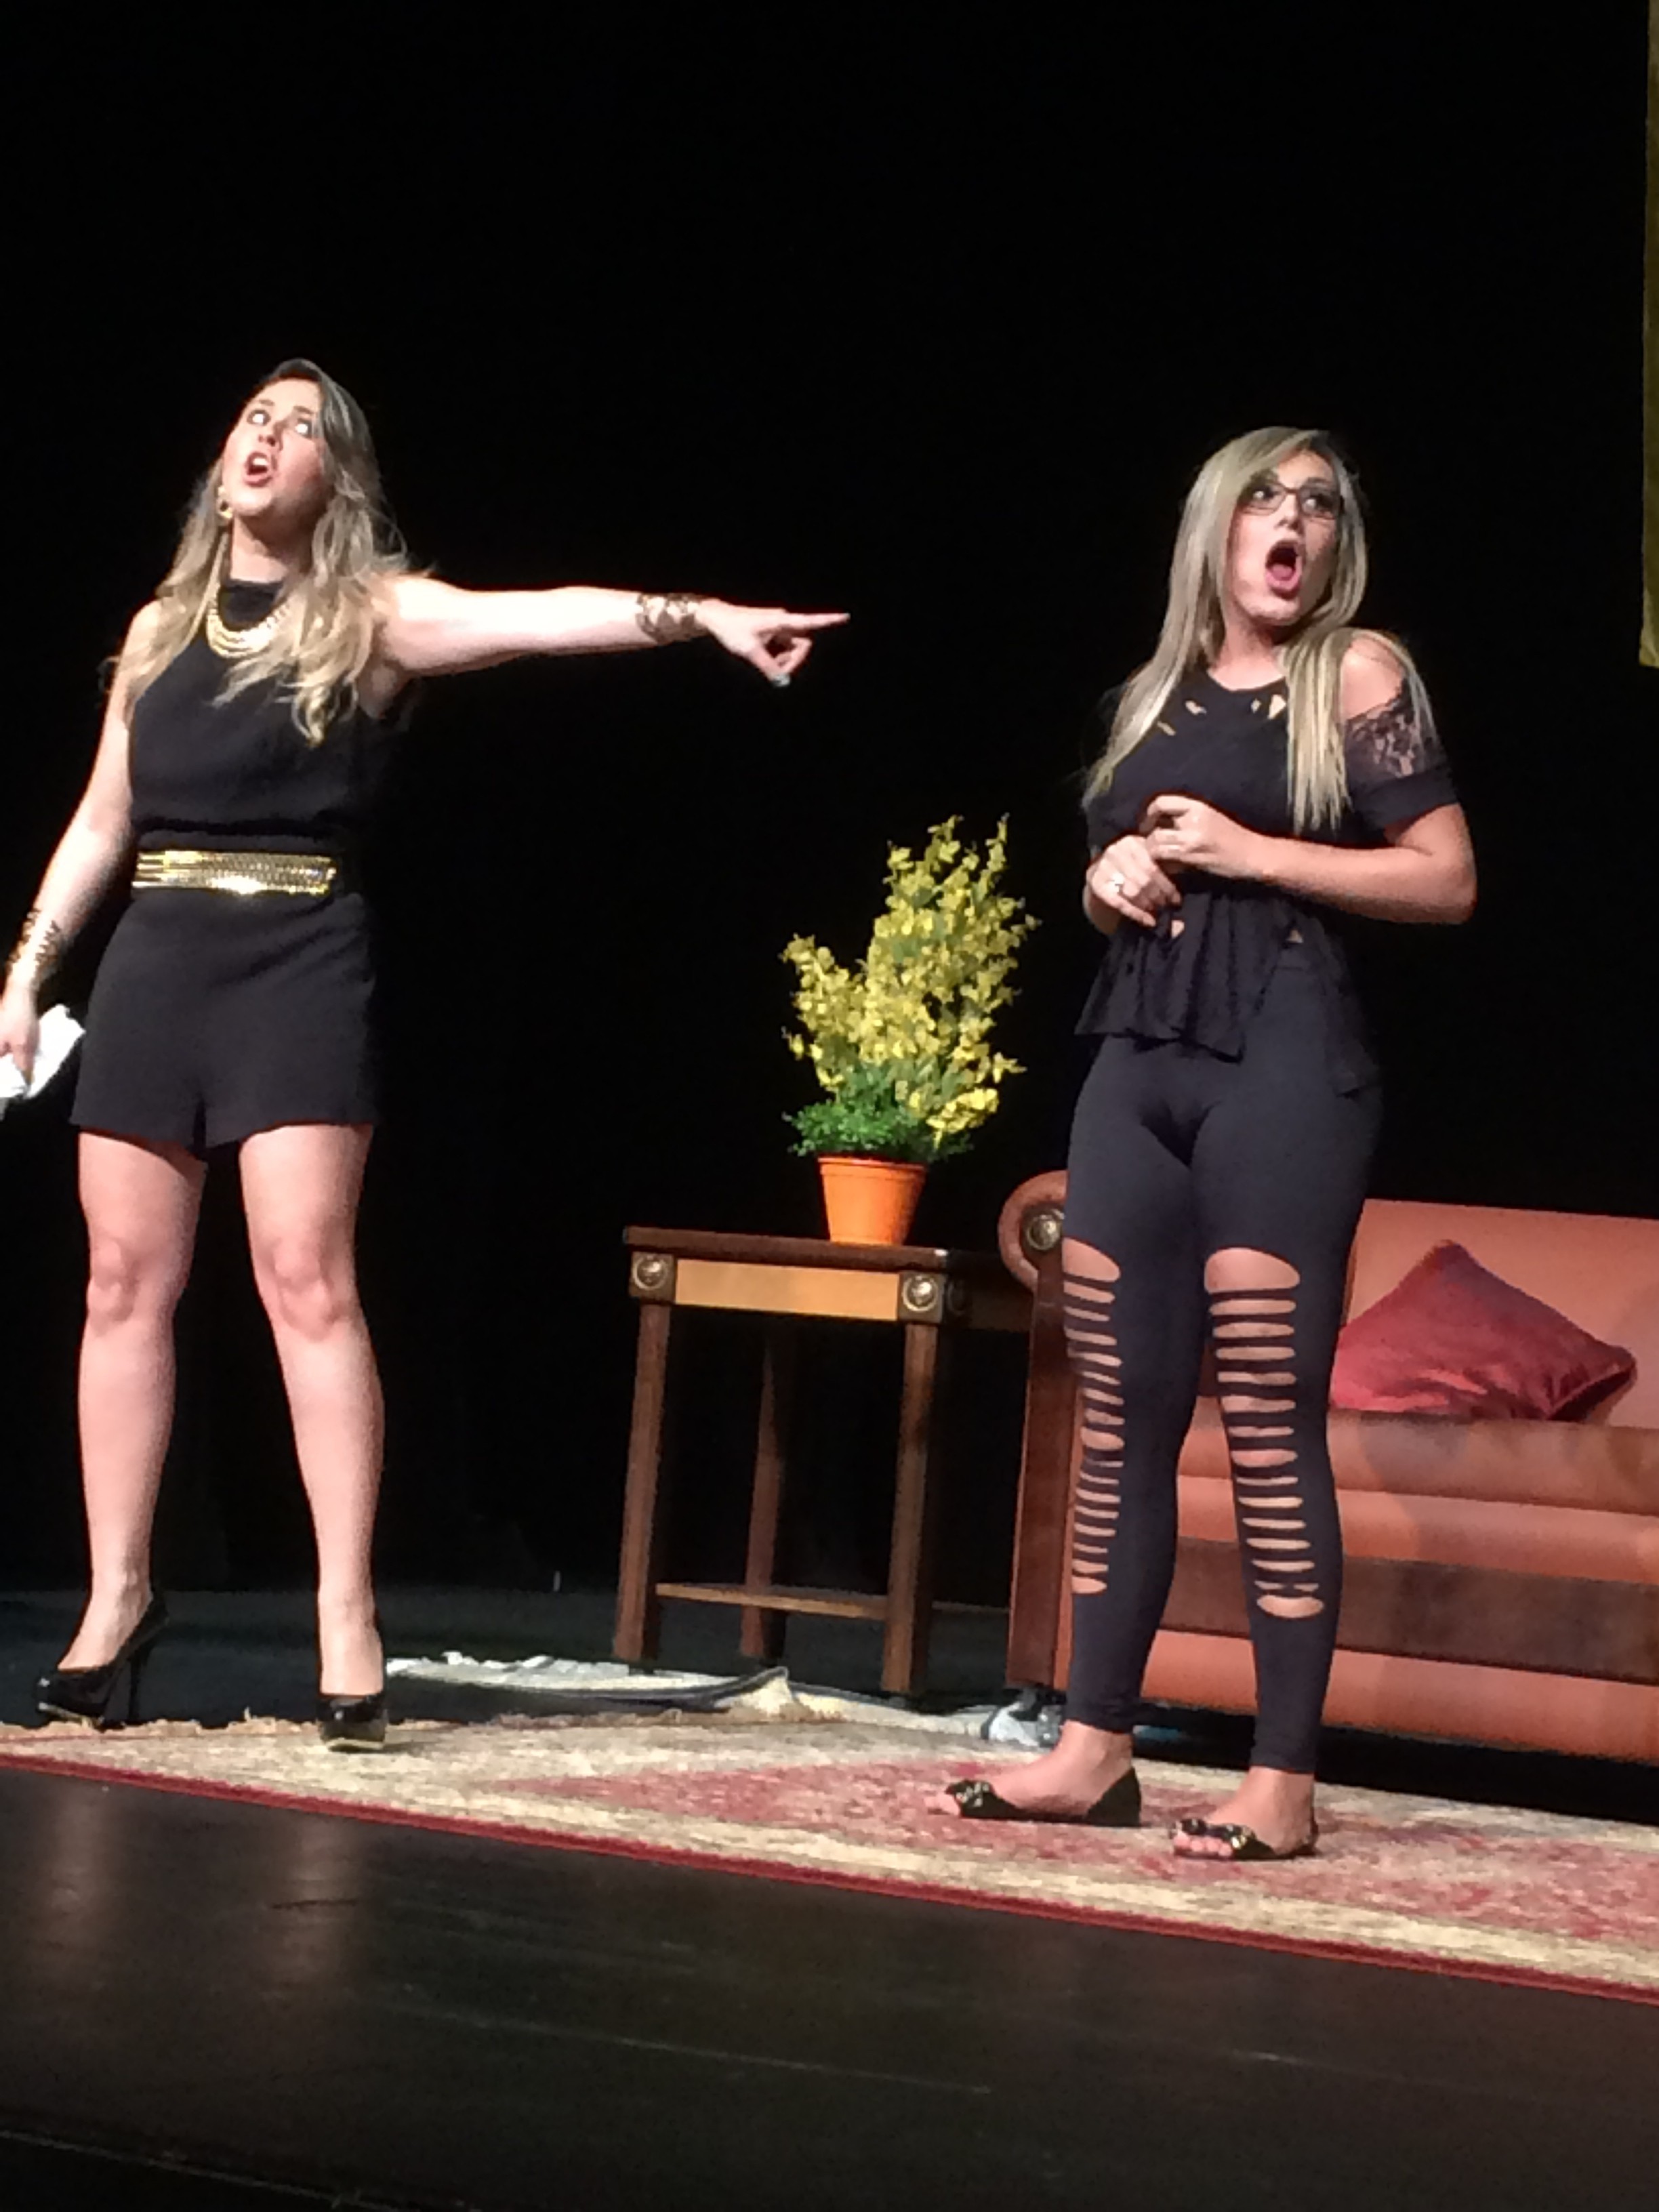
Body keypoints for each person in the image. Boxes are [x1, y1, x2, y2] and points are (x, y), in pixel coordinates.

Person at [0, 359, 846, 1748]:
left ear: (338, 478)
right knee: (120, 1285)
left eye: (302, 428)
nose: (267, 438)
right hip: (156, 959)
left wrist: (697, 617)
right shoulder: (160, 628)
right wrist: (29, 973)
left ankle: (347, 1615)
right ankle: (118, 1599)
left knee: (305, 1280)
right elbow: (104, 817)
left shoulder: (372, 618)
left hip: (296, 960)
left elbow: (542, 620)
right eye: (254, 418)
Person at [944, 428, 1475, 1858]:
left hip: (1284, 1067)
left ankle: (1281, 1781)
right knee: (1118, 1416)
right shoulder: (1152, 693)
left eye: (1319, 504)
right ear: (1218, 528)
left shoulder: (1355, 675)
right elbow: (1115, 868)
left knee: (1264, 1417)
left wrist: (1249, 853)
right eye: (1266, 498)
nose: (1292, 521)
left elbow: (1446, 876)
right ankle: (1092, 1750)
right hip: (1136, 1061)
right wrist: (1106, 876)